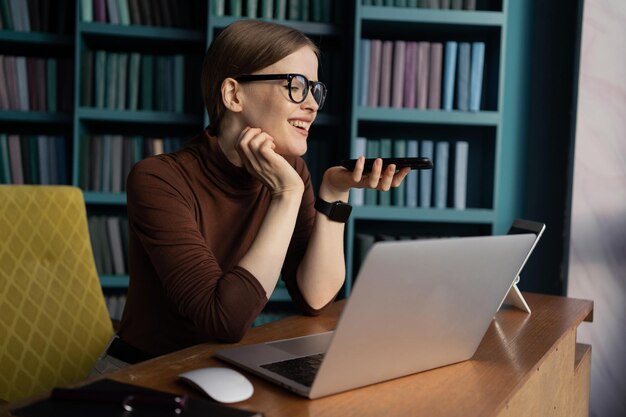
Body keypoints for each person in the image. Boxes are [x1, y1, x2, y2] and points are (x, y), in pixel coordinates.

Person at [92, 19, 409, 374]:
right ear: (233, 95)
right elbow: (223, 320)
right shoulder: (158, 178)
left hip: (221, 369)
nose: (312, 105)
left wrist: (333, 194)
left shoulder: (291, 172)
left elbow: (316, 297)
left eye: (315, 89)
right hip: (144, 374)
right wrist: (286, 196)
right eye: (296, 86)